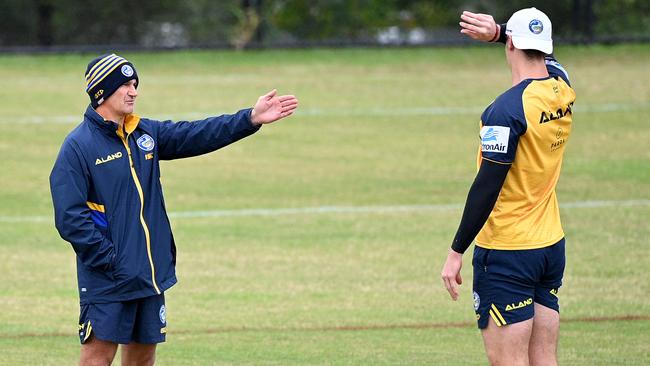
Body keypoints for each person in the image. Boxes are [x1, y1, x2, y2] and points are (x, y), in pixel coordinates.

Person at [49, 53, 298, 365]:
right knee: (97, 359)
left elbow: (196, 134)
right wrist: (109, 259)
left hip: (149, 275)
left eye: (135, 83)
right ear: (102, 91)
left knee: (142, 360)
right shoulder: (78, 147)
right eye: (124, 84)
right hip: (108, 277)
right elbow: (70, 217)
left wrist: (249, 118)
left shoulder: (145, 134)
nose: (133, 91)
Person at [440, 8, 575, 366]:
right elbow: (554, 62)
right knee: (544, 358)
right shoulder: (562, 88)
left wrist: (456, 251)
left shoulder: (505, 111)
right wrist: (501, 31)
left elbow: (487, 186)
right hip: (549, 247)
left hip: (507, 252)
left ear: (512, 43)